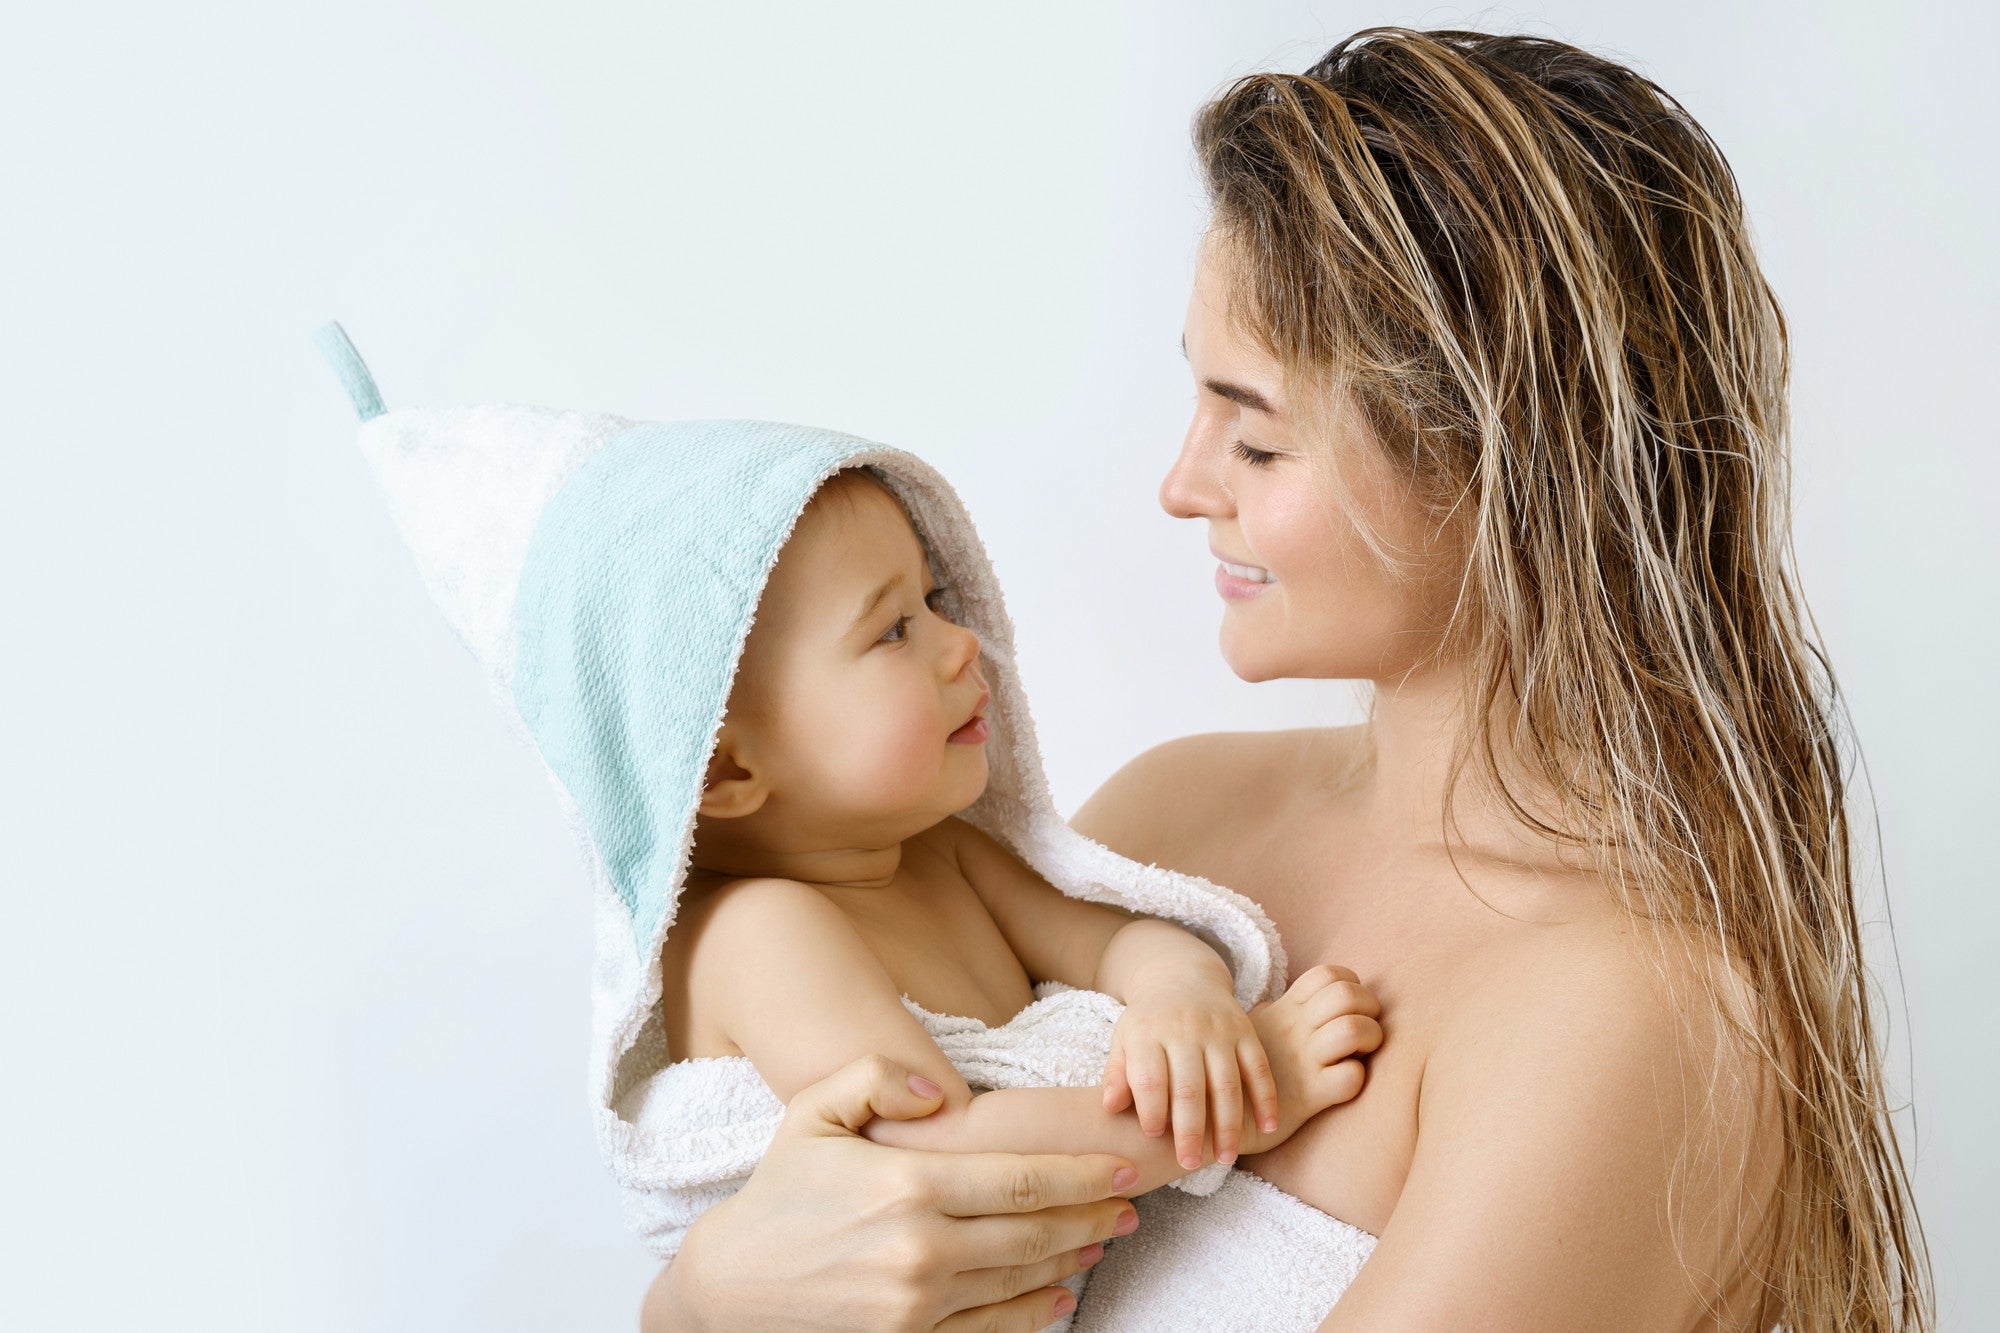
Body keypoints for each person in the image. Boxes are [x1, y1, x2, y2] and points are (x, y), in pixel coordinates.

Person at [643, 25, 1931, 1331]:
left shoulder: (1623, 1017)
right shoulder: (1171, 818)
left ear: (1505, 466)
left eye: (1256, 440)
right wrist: (702, 1295)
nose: (1181, 484)